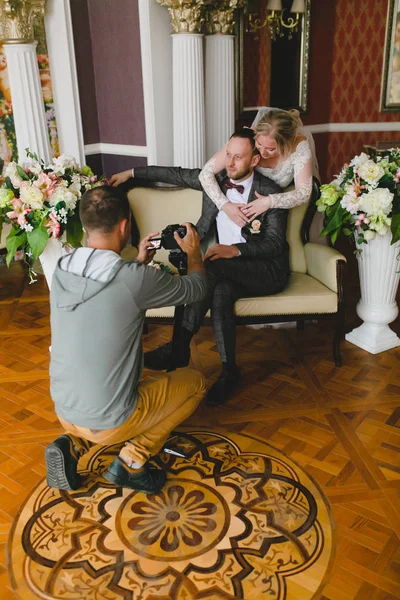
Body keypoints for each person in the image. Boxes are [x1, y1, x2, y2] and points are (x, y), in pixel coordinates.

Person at [45, 185, 207, 495]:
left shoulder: (63, 268)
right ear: (124, 226)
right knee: (196, 382)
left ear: (86, 225)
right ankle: (132, 462)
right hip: (111, 421)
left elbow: (111, 285)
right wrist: (194, 252)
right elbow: (196, 288)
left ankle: (73, 443)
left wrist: (138, 263)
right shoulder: (134, 279)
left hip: (64, 409)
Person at [110, 129, 290, 405]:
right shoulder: (215, 182)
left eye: (238, 157)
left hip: (266, 270)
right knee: (221, 291)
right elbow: (176, 174)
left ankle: (178, 348)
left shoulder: (270, 193)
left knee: (208, 270)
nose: (229, 163)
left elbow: (275, 244)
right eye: (228, 154)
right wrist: (131, 173)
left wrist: (236, 249)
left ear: (254, 161)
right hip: (229, 270)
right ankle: (229, 370)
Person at [196, 107, 320, 229]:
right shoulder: (246, 139)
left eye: (271, 149)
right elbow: (205, 173)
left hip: (276, 213)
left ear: (288, 143)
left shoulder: (299, 148)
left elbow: (304, 193)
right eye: (259, 144)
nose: (263, 153)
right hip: (237, 201)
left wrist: (269, 202)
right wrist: (225, 205)